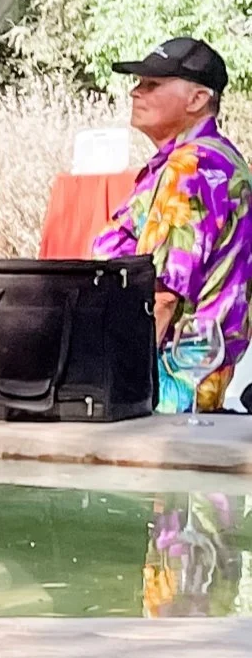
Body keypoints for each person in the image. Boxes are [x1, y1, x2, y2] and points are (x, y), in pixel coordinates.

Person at [93, 37, 252, 413]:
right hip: (196, 376)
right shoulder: (214, 158)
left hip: (167, 381)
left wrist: (117, 381)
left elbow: (160, 296)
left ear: (197, 99)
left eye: (153, 84)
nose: (136, 91)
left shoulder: (190, 167)